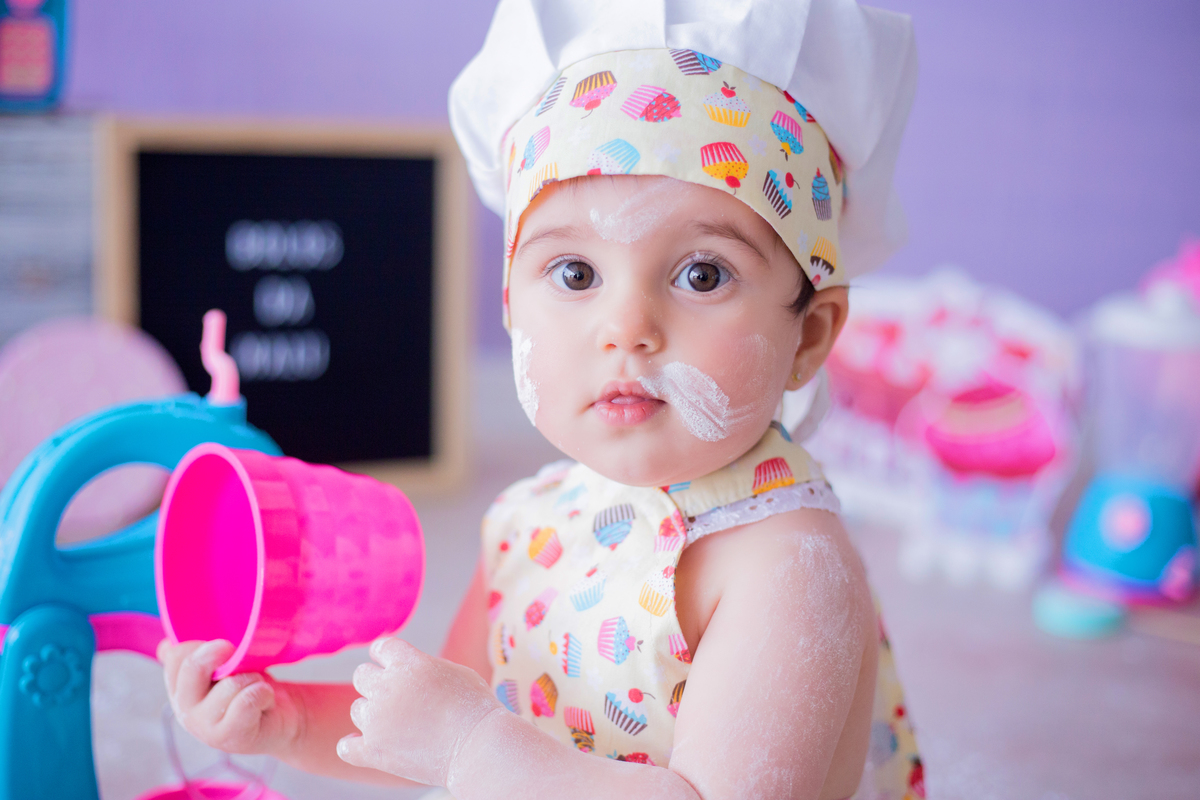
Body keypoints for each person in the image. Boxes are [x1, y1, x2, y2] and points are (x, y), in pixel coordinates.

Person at [158, 1, 923, 797]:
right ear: (510, 307)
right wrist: (286, 719)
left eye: (702, 274)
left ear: (808, 336)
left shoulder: (787, 565)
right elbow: (429, 720)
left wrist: (471, 747)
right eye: (576, 275)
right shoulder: (531, 523)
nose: (625, 328)